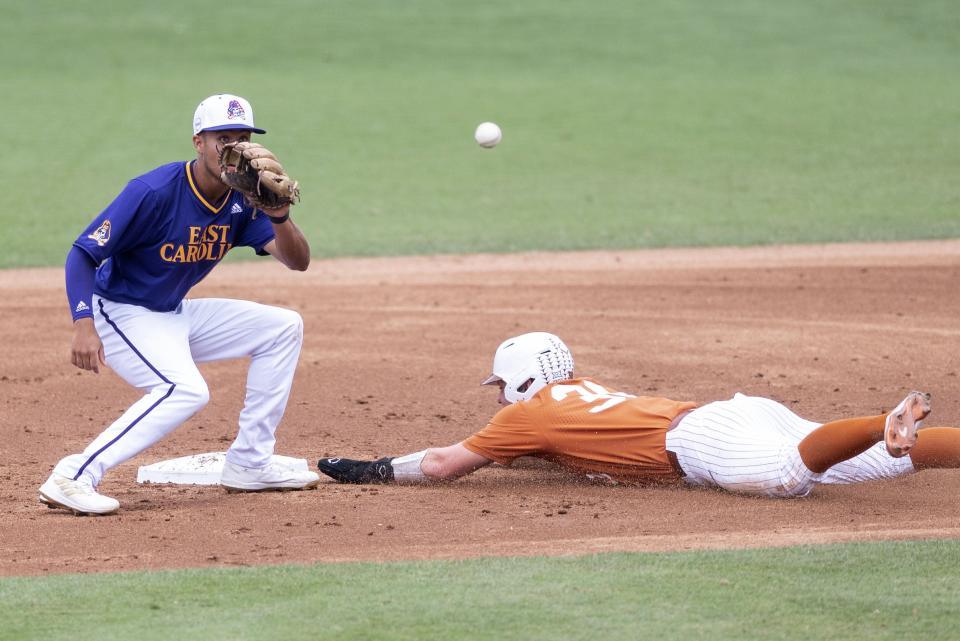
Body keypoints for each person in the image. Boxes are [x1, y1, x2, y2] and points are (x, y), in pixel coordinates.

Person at [39, 93, 320, 516]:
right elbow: (83, 253)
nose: (235, 149)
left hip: (171, 313)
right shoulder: (152, 192)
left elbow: (297, 261)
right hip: (118, 311)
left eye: (243, 138)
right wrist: (83, 323)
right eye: (223, 138)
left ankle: (250, 462)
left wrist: (279, 216)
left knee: (282, 326)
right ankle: (74, 475)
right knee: (184, 390)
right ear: (198, 142)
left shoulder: (244, 199)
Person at [319, 332, 960, 496]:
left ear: (521, 380)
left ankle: (884, 421)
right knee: (874, 468)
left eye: (499, 386)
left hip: (705, 442)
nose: (496, 399)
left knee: (790, 480)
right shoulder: (577, 392)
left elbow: (439, 467)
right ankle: (887, 433)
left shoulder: (528, 416)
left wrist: (363, 468)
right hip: (731, 414)